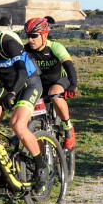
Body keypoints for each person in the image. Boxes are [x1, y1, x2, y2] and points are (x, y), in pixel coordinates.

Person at [0, 7, 48, 191]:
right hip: (7, 85)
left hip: (29, 81)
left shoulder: (4, 41)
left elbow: (22, 71)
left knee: (17, 124)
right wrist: (8, 91)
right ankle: (0, 172)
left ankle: (41, 167)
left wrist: (13, 94)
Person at [23, 18, 78, 149]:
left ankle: (67, 126)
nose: (30, 39)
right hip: (40, 85)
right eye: (28, 36)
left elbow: (69, 66)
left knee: (54, 93)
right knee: (35, 126)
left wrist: (73, 85)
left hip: (58, 80)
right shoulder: (25, 50)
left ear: (45, 35)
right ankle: (43, 157)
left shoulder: (55, 47)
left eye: (34, 36)